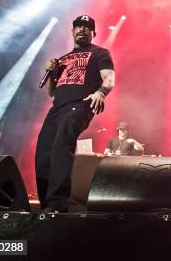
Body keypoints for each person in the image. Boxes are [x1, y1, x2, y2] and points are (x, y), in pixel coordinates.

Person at [35, 15, 115, 213]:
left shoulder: (100, 53)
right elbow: (52, 92)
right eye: (78, 26)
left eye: (87, 27)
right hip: (57, 109)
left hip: (81, 104)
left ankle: (58, 204)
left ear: (93, 33)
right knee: (43, 153)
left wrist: (100, 93)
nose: (82, 29)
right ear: (72, 31)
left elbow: (109, 79)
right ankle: (47, 205)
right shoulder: (61, 60)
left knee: (61, 146)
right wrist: (49, 72)